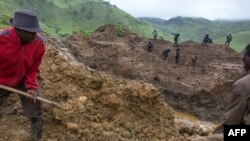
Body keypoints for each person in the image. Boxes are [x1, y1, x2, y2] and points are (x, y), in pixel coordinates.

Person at [0, 9, 46, 141]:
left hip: (23, 79)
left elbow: (34, 68)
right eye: (31, 32)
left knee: (35, 107)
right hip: (2, 78)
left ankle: (36, 137)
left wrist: (31, 86)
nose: (35, 34)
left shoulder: (39, 43)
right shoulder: (2, 38)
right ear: (18, 30)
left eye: (35, 31)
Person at [213, 44, 250, 134]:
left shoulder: (243, 85)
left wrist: (213, 136)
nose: (243, 62)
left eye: (245, 58)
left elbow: (231, 122)